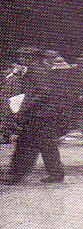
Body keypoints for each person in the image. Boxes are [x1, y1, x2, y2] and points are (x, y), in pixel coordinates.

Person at [4, 48, 72, 184]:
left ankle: (17, 175)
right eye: (21, 56)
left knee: (29, 144)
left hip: (41, 114)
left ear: (33, 58)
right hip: (43, 113)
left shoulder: (36, 70)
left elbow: (44, 92)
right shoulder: (37, 69)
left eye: (25, 57)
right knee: (43, 144)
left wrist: (25, 107)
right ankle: (54, 174)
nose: (21, 59)